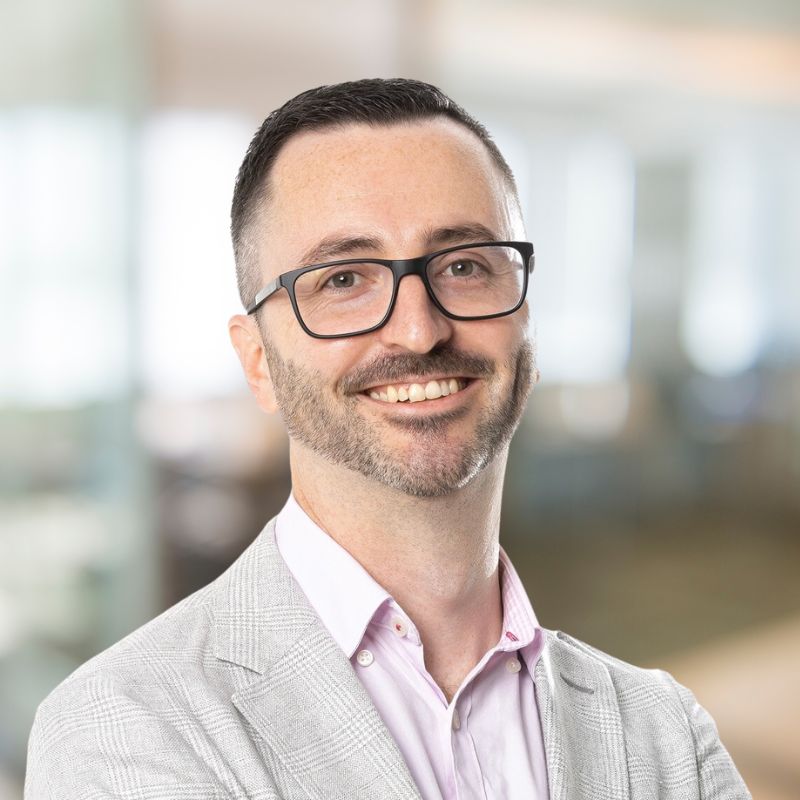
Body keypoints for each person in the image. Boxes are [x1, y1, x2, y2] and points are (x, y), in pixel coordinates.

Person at [25, 78, 750, 799]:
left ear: (526, 319)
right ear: (258, 362)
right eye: (344, 279)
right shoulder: (122, 729)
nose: (418, 329)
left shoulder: (665, 735)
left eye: (464, 265)